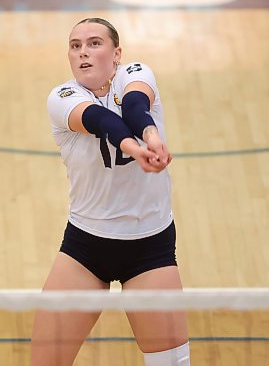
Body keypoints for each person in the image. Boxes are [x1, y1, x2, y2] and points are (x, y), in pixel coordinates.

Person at [31, 18, 190, 366]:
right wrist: (137, 150)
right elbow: (102, 122)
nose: (83, 52)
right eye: (75, 46)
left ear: (117, 54)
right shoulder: (62, 98)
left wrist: (151, 137)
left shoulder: (137, 73)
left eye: (94, 43)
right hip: (86, 248)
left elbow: (134, 107)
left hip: (150, 248)